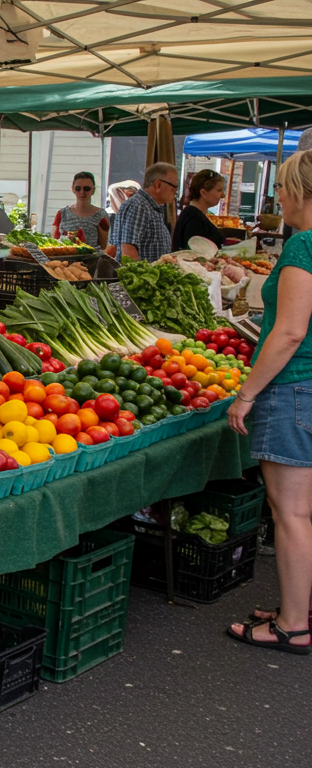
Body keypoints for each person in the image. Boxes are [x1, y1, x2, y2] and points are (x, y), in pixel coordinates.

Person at [226, 150, 312, 655]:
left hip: (295, 386)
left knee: (292, 514)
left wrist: (247, 393)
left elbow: (290, 331)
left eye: (281, 188)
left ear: (301, 190)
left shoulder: (303, 247)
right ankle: (296, 607)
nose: (278, 198)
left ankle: (294, 625)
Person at [110, 162, 178, 261]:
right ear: (158, 185)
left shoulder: (150, 206)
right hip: (142, 276)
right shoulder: (139, 206)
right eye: (174, 186)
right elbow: (129, 250)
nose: (175, 191)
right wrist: (142, 276)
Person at [170, 169, 227, 251]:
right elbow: (195, 254)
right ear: (203, 192)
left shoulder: (193, 214)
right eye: (219, 190)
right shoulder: (194, 219)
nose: (223, 195)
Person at [51, 172, 109, 248]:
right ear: (73, 189)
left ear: (93, 190)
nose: (82, 192)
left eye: (86, 189)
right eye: (78, 188)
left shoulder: (101, 215)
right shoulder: (62, 214)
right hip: (65, 258)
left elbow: (104, 247)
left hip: (92, 259)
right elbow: (53, 244)